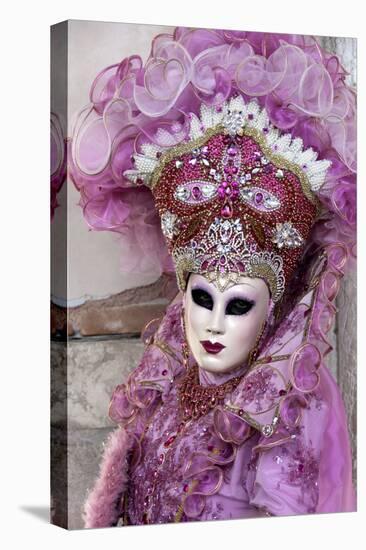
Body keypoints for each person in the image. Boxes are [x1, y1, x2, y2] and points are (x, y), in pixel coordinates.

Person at [68, 28, 356, 527]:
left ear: (272, 310)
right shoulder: (169, 378)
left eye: (239, 304)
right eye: (203, 298)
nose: (214, 325)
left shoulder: (283, 411)